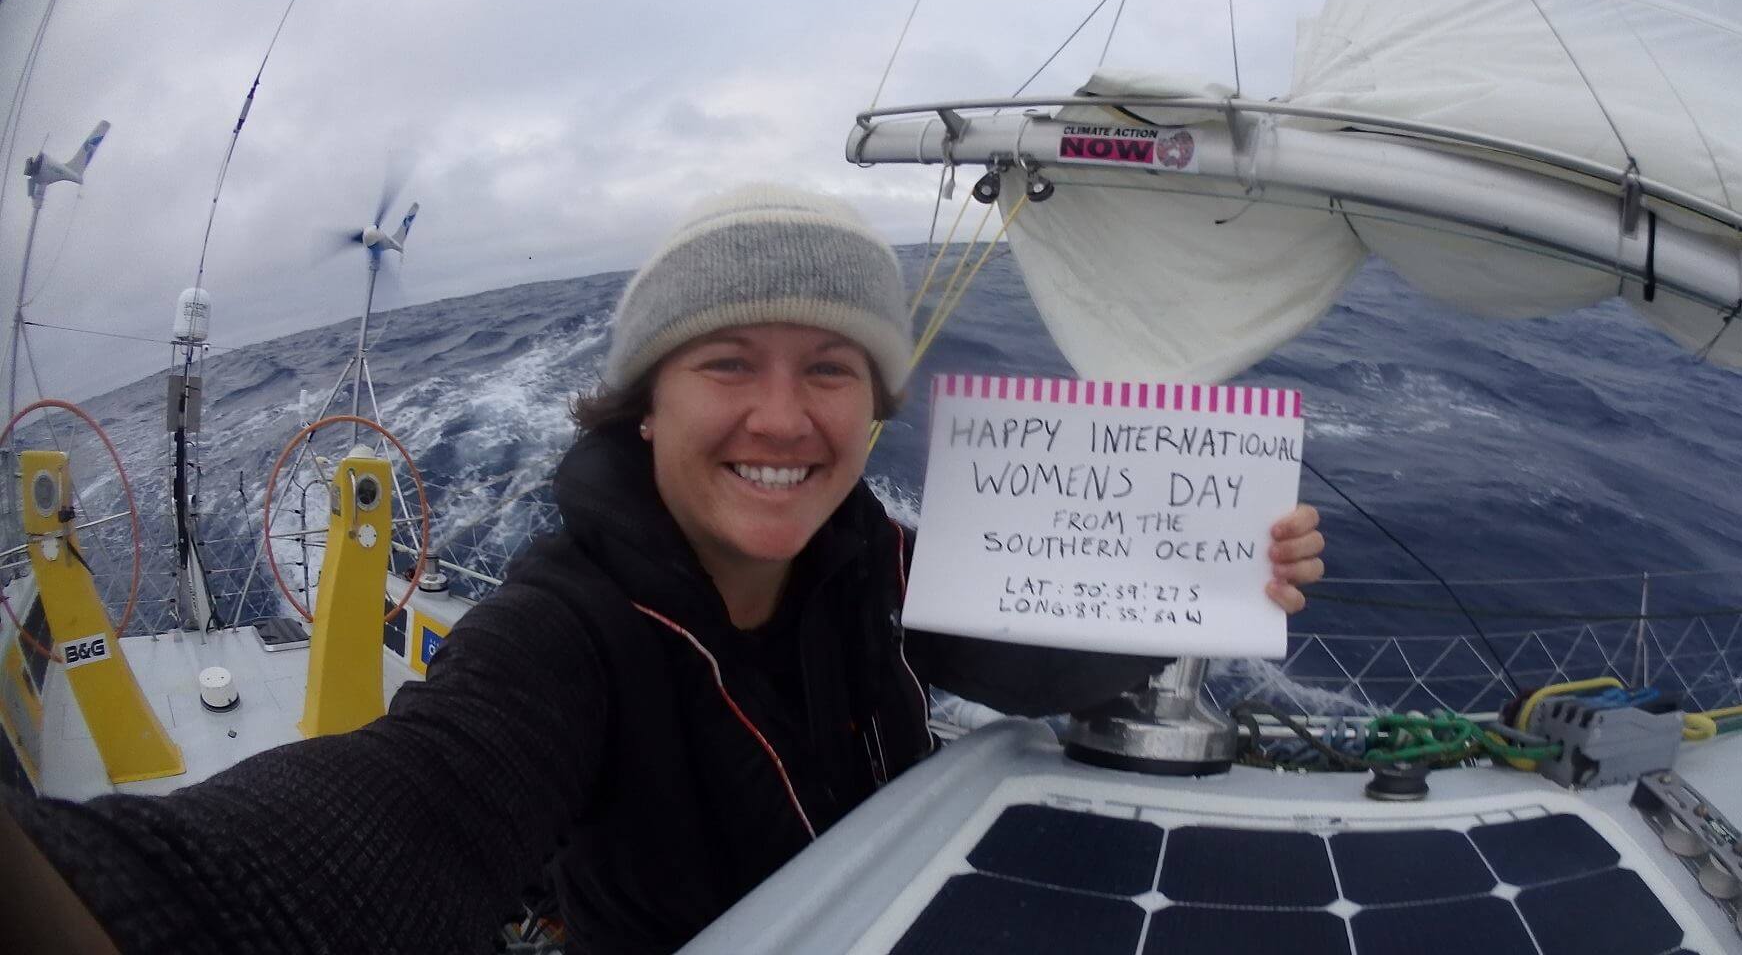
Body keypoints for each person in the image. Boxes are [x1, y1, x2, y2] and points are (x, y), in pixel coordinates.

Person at [1, 184, 1325, 954]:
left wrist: (1199, 588)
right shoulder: (564, 630)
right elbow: (422, 802)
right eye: (725, 363)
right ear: (644, 405)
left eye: (831, 369)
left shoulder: (874, 553)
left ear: (874, 408)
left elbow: (1013, 650)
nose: (783, 417)